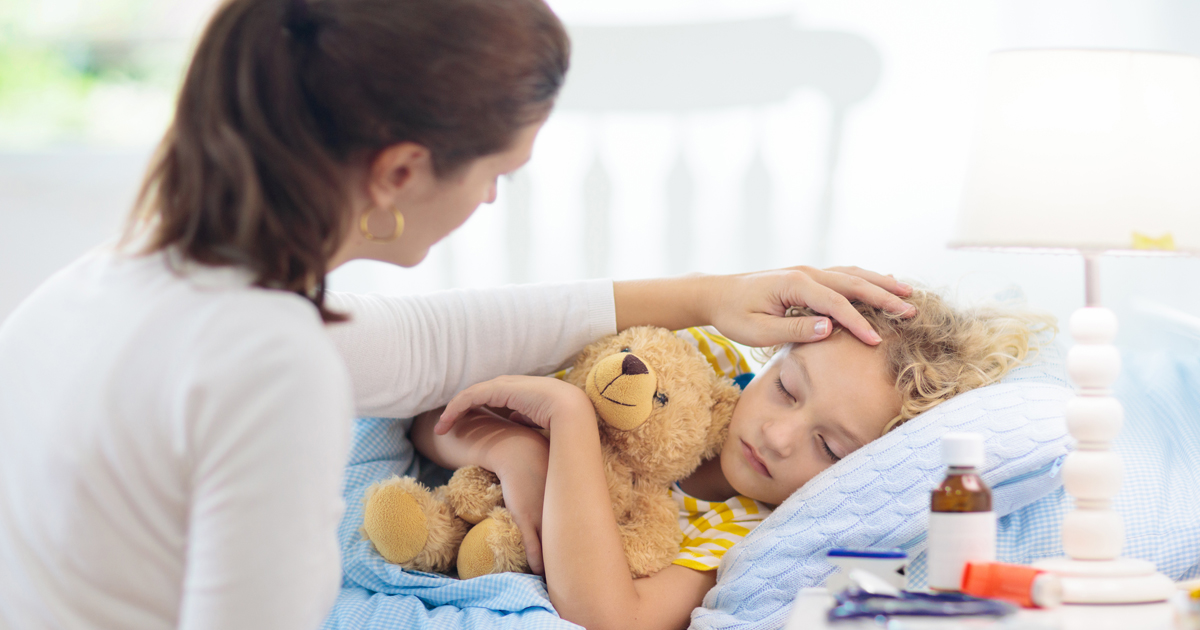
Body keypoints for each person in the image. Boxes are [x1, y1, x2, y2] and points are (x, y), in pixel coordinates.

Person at [0, 0, 914, 629]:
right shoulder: (271, 363)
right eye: (496, 175)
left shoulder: (119, 282)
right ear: (400, 173)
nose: (489, 203)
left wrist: (711, 295)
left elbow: (444, 340)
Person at [426, 289, 1054, 630]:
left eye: (829, 447)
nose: (780, 436)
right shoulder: (691, 364)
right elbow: (431, 415)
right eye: (785, 388)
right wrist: (513, 448)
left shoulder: (753, 528)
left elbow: (612, 618)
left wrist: (567, 421)